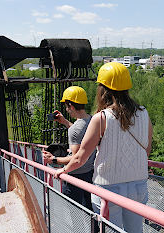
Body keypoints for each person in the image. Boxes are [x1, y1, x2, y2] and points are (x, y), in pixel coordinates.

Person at [54, 62, 153, 233]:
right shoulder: (144, 113)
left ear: (103, 89)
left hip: (108, 189)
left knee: (109, 230)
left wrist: (63, 171)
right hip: (138, 185)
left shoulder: (102, 118)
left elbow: (79, 157)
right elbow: (146, 150)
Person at [43, 86, 96, 210]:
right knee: (89, 211)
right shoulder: (92, 120)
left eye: (67, 107)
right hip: (90, 174)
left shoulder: (75, 130)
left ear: (70, 105)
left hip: (75, 177)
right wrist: (66, 123)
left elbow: (76, 157)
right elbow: (82, 135)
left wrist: (54, 159)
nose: (67, 110)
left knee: (75, 212)